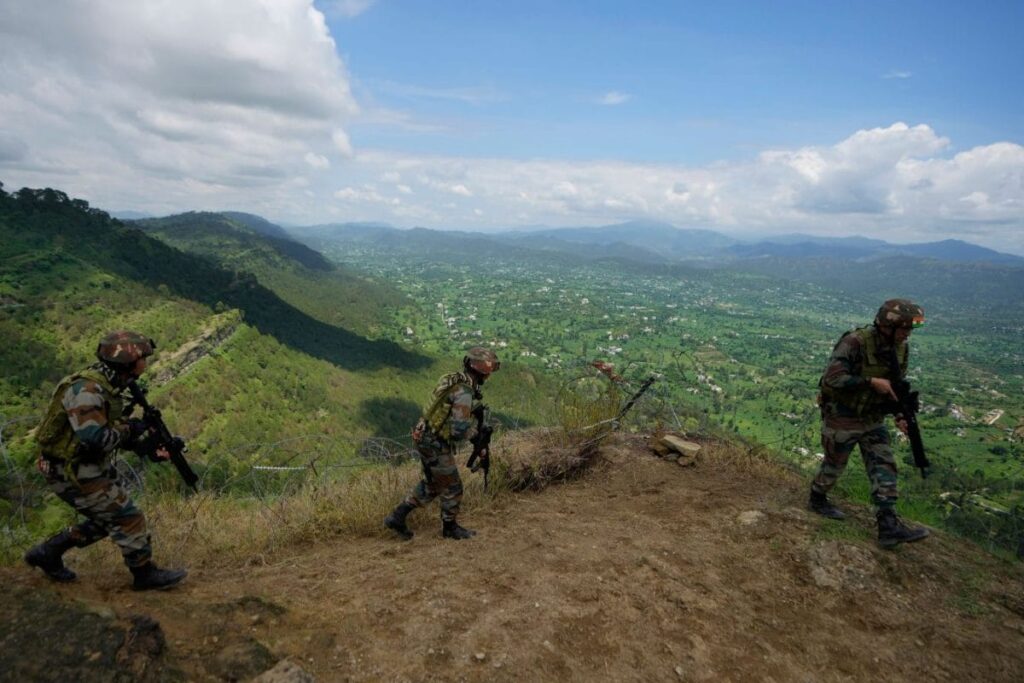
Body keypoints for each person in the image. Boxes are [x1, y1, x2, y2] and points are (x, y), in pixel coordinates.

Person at [24, 331, 188, 590]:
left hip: (85, 464)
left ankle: (48, 552)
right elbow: (97, 439)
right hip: (68, 469)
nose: (146, 363)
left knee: (106, 519)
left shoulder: (111, 383)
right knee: (128, 516)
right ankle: (144, 574)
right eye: (142, 358)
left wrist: (147, 445)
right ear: (128, 362)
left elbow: (111, 429)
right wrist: (131, 429)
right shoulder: (86, 391)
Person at [809, 299, 930, 549]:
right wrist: (870, 382)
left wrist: (900, 415)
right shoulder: (855, 342)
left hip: (872, 417)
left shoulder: (900, 349)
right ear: (888, 325)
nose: (908, 334)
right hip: (842, 414)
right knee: (834, 463)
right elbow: (832, 379)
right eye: (905, 328)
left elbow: (895, 388)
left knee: (884, 464)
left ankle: (888, 525)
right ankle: (817, 498)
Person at [385, 347, 500, 541]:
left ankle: (397, 517)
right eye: (488, 371)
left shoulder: (452, 379)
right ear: (482, 372)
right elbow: (458, 430)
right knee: (453, 486)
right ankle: (450, 528)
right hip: (434, 443)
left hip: (425, 436)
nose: (489, 375)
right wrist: (476, 435)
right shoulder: (464, 392)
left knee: (433, 484)